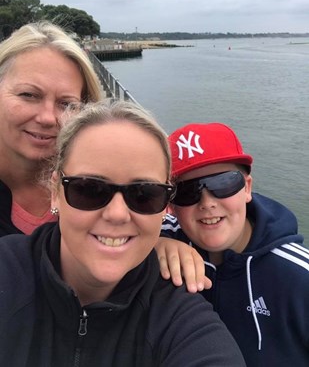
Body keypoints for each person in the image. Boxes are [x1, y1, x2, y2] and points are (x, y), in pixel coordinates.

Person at [0, 101, 245, 366]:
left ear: (166, 205)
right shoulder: (8, 272)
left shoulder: (181, 321)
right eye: (89, 189)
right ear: (56, 191)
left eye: (145, 195)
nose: (117, 214)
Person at [158, 122, 309, 366]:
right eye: (187, 191)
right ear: (172, 207)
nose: (207, 203)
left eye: (223, 183)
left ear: (247, 188)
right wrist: (155, 247)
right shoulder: (161, 240)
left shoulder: (299, 278)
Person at [0, 21, 103, 236]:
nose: (47, 118)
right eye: (28, 95)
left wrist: (159, 245)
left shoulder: (102, 183)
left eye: (66, 104)